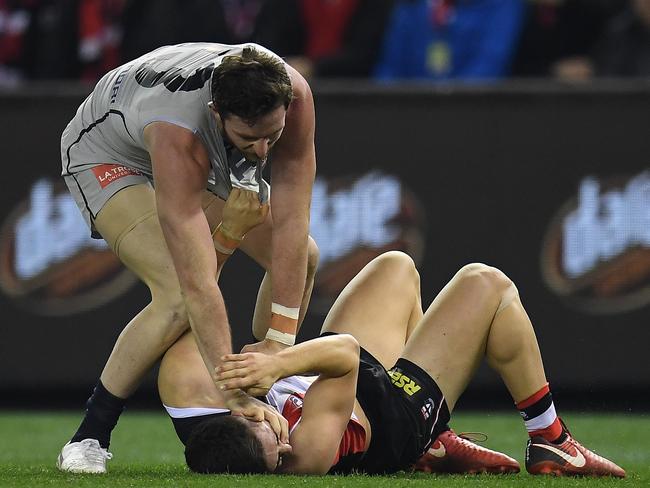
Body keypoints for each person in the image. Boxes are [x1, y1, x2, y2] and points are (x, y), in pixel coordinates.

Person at [56, 42, 319, 473]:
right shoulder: (178, 133)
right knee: (178, 294)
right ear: (218, 114)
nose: (263, 152)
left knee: (303, 255)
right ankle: (89, 435)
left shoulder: (296, 94)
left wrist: (278, 347)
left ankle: (269, 374)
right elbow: (198, 280)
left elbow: (294, 220)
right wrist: (230, 389)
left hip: (169, 121)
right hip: (108, 152)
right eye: (249, 139)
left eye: (273, 135)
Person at [159, 250, 626, 476]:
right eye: (275, 455)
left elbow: (183, 315)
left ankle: (440, 444)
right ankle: (550, 439)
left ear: (236, 417)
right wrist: (277, 363)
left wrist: (264, 363)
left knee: (395, 268)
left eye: (269, 435)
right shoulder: (305, 456)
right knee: (488, 284)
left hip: (347, 381)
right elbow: (343, 353)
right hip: (393, 414)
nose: (282, 445)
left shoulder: (228, 411)